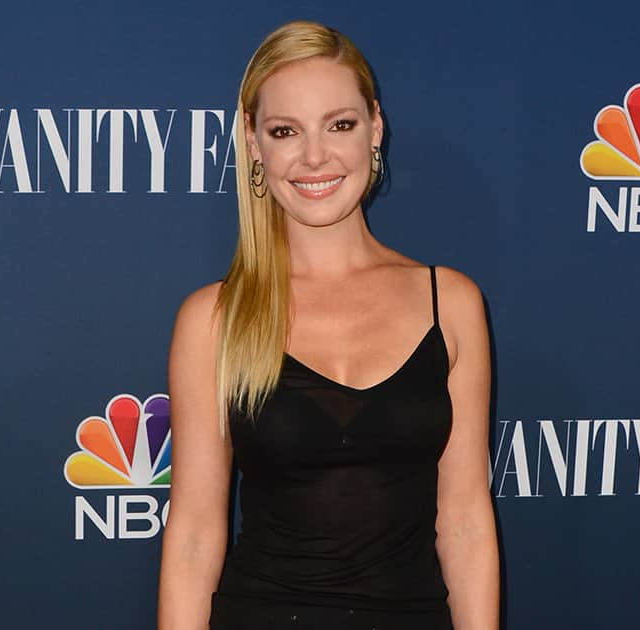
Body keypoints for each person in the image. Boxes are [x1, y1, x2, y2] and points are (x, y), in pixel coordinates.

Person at [158, 20, 499, 629]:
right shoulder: (214, 319)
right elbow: (193, 537)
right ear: (254, 145)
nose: (314, 156)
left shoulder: (451, 303)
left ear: (376, 127)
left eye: (339, 125)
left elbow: (467, 519)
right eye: (285, 131)